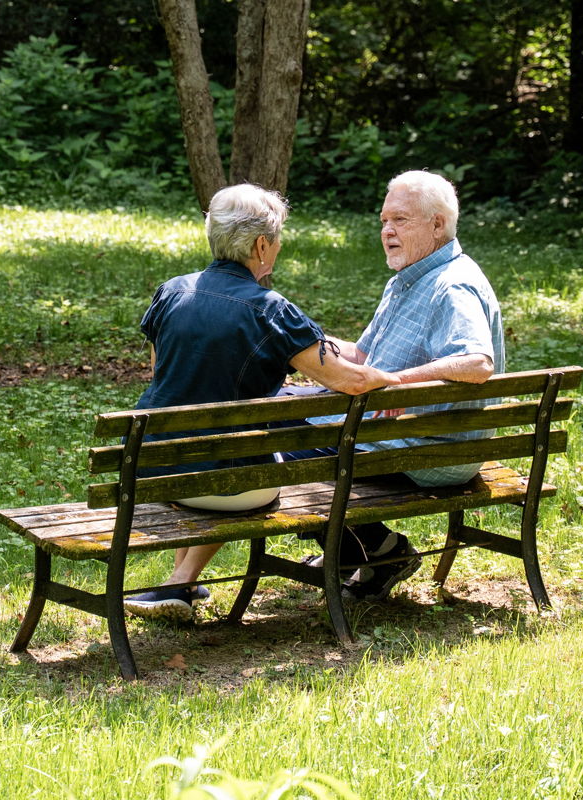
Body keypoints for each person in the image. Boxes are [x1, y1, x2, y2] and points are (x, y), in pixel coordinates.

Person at [122, 183, 401, 621]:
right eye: (277, 239)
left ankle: (181, 585)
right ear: (260, 246)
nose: (279, 247)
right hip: (234, 486)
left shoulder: (170, 292)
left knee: (216, 444)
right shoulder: (271, 310)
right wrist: (394, 377)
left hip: (155, 469)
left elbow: (160, 371)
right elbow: (349, 381)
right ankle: (178, 584)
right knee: (238, 456)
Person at [303, 169, 504, 600]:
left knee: (292, 443)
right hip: (403, 433)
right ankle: (355, 549)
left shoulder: (452, 285)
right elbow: (362, 357)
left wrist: (398, 382)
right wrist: (300, 342)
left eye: (400, 220)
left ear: (437, 225)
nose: (387, 231)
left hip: (436, 449)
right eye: (384, 221)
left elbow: (477, 361)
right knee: (287, 413)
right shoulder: (407, 280)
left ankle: (377, 550)